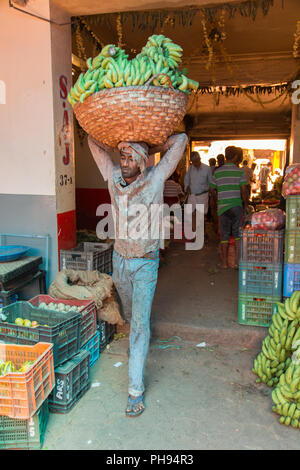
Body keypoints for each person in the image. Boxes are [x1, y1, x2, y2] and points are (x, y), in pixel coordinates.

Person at [88, 132, 187, 417]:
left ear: (143, 162)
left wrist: (151, 145)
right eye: (123, 156)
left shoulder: (155, 179)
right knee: (131, 317)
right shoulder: (113, 177)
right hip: (120, 261)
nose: (126, 161)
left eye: (132, 157)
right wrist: (117, 142)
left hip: (145, 263)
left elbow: (180, 140)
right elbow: (93, 143)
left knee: (140, 324)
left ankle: (135, 390)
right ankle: (139, 335)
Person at [210, 146, 249, 269]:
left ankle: (224, 263)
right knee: (237, 235)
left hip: (223, 207)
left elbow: (211, 189)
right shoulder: (240, 172)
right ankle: (237, 263)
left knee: (224, 235)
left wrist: (218, 199)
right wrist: (246, 205)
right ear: (236, 157)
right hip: (236, 206)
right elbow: (243, 190)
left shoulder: (217, 172)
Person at [184, 151, 212, 234]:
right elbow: (187, 179)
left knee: (201, 216)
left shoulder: (207, 168)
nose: (195, 164)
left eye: (196, 161)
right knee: (191, 214)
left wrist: (211, 195)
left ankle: (202, 233)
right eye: (193, 162)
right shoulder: (190, 168)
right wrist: (187, 187)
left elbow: (211, 182)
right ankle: (194, 232)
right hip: (192, 195)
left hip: (203, 195)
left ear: (200, 159)